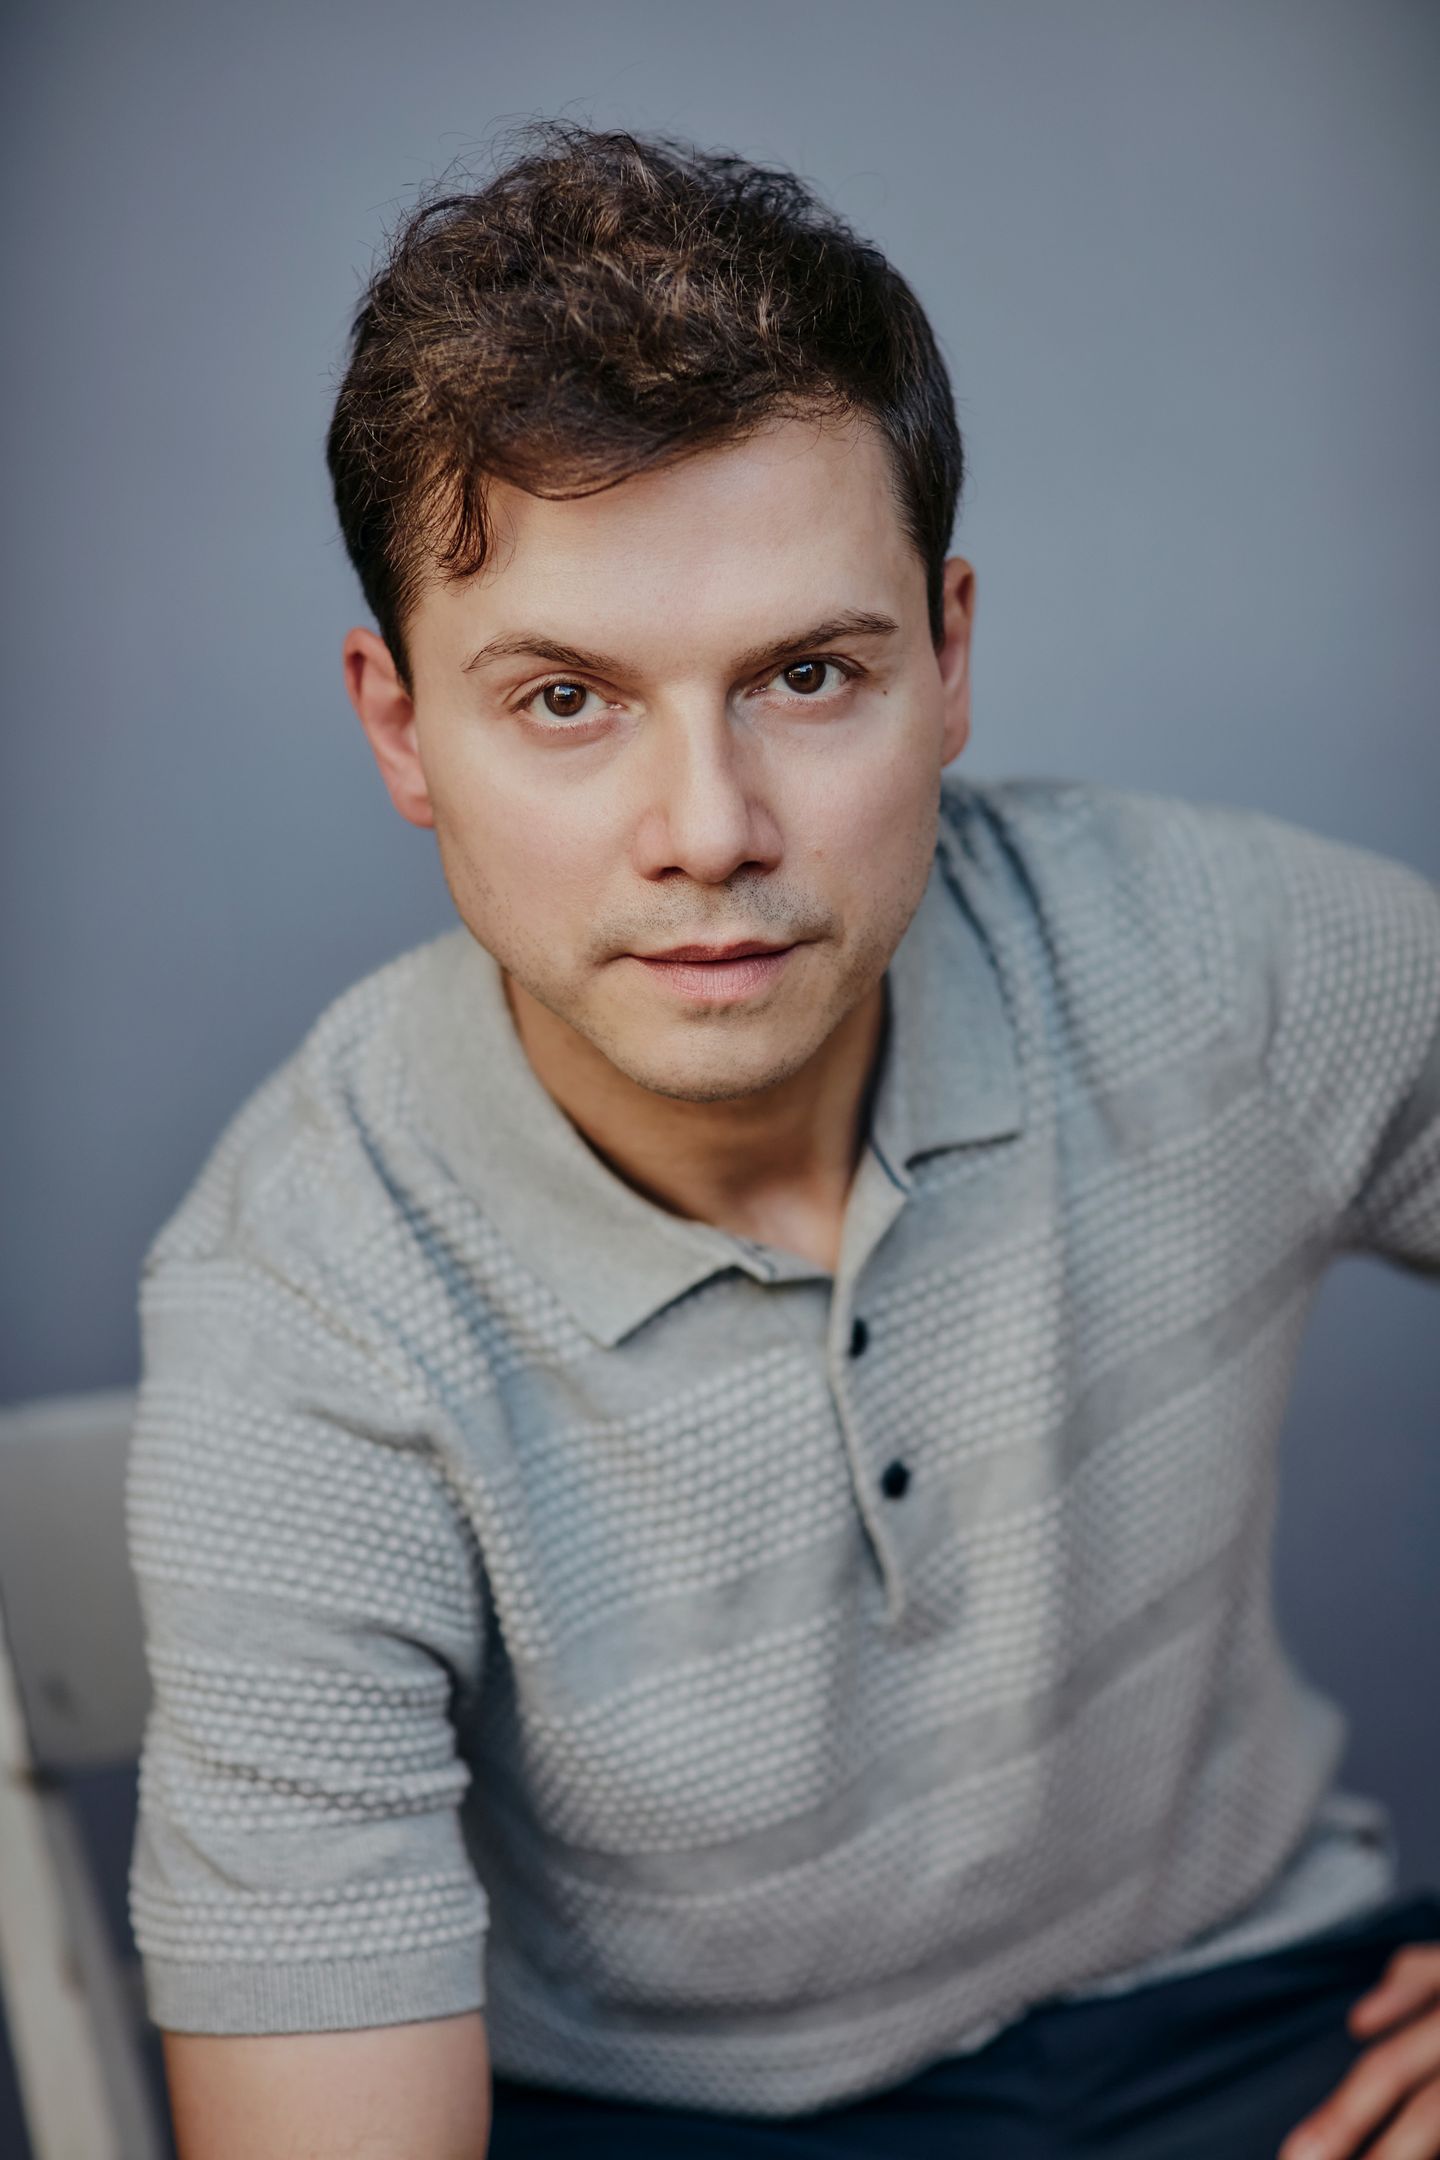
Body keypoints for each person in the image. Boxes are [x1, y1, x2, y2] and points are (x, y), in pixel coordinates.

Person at [126, 122, 1440, 2159]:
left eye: (808, 676)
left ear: (950, 659)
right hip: (671, 2125)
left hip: (1251, 2029)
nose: (711, 830)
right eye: (566, 701)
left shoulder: (1224, 964)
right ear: (401, 728)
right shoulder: (304, 1310)